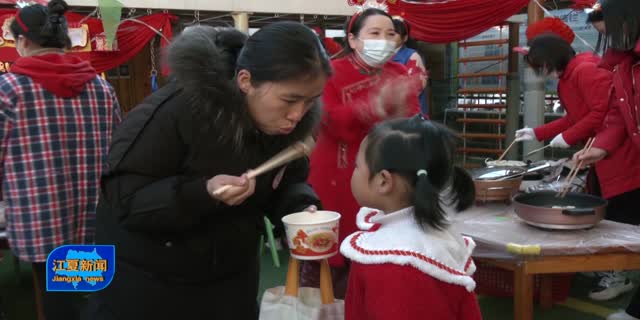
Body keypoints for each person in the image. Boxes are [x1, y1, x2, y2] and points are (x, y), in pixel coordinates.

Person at [86, 23, 329, 320]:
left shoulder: (287, 126)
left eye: (310, 101)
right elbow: (126, 200)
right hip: (153, 283)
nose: (297, 115)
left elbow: (286, 181)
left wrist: (301, 208)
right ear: (245, 80)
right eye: (289, 100)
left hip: (231, 278)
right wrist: (203, 192)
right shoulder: (177, 112)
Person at [0, 0, 121, 319]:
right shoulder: (101, 88)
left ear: (22, 42)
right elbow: (119, 151)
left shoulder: (8, 89)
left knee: (56, 302)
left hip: (39, 219)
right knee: (88, 295)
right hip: (94, 212)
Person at [304, 8, 421, 299]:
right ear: (353, 40)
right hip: (335, 178)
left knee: (375, 260)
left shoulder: (397, 72)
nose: (384, 40)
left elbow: (413, 121)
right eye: (375, 33)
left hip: (383, 181)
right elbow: (332, 122)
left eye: (390, 34)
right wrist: (376, 105)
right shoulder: (330, 73)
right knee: (327, 263)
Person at [340, 116, 481, 320]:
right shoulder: (433, 236)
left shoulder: (393, 265)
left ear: (383, 181)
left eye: (356, 166)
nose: (353, 172)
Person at [575, 1, 640, 319]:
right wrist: (599, 147)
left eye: (612, 31)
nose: (610, 39)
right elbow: (617, 115)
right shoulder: (622, 63)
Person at [392, 17, 429, 116]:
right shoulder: (383, 56)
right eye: (387, 33)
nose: (388, 37)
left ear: (405, 38)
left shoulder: (412, 56)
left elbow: (412, 90)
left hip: (410, 117)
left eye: (393, 34)